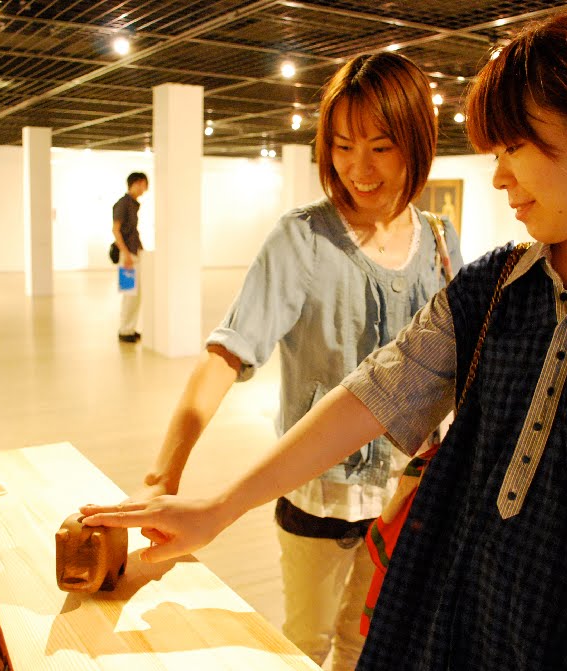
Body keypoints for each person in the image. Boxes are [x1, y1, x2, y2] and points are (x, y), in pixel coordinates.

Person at [82, 11, 567, 671]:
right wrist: (216, 507)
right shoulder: (497, 284)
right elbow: (374, 392)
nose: (498, 177)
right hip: (472, 628)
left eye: (515, 146)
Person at [110, 53, 461, 670]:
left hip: (409, 493)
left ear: (417, 142)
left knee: (371, 640)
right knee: (307, 640)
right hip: (320, 493)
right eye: (343, 146)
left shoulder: (440, 240)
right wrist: (165, 472)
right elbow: (228, 351)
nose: (358, 168)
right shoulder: (304, 238)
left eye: (380, 147)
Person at [112, 171, 148, 343]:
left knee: (135, 295)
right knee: (129, 295)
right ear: (137, 183)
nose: (144, 190)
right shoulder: (123, 204)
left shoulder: (133, 204)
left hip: (133, 254)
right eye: (144, 185)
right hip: (127, 256)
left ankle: (130, 328)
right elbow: (116, 230)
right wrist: (126, 254)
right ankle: (124, 330)